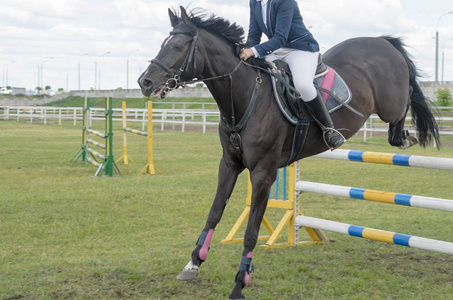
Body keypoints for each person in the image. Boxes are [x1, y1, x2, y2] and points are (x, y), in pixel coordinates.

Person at [240, 0, 345, 150]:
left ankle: (329, 129)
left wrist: (254, 51)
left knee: (303, 85)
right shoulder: (255, 2)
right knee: (253, 70)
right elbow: (254, 34)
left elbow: (280, 38)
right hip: (277, 50)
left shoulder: (285, 2)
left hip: (301, 49)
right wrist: (246, 50)